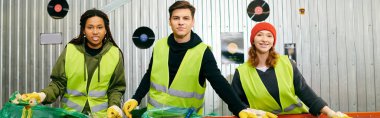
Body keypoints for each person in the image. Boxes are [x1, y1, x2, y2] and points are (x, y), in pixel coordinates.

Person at [122, 1, 263, 118]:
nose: (180, 23)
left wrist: (239, 108)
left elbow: (219, 83)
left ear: (192, 22)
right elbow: (150, 75)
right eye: (176, 18)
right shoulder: (159, 45)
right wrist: (136, 98)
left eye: (186, 18)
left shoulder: (203, 52)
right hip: (155, 115)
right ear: (170, 22)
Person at [21, 9, 126, 118]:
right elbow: (58, 83)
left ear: (106, 30)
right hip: (70, 115)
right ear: (84, 30)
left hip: (102, 116)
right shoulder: (70, 50)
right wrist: (41, 95)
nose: (95, 32)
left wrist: (114, 106)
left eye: (99, 27)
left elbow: (116, 88)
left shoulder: (114, 54)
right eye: (90, 27)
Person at [231, 22, 350, 118]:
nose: (264, 39)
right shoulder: (241, 73)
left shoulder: (287, 63)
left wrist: (330, 113)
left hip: (297, 116)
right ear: (253, 40)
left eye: (269, 35)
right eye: (259, 35)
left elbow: (305, 91)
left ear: (273, 41)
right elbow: (236, 104)